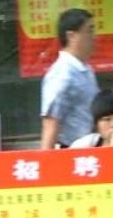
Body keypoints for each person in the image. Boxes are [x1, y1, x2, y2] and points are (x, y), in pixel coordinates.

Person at [40, 8, 99, 149]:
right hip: (70, 151)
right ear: (71, 36)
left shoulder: (84, 69)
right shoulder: (62, 74)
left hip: (90, 148)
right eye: (89, 30)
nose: (94, 37)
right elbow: (51, 122)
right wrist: (46, 159)